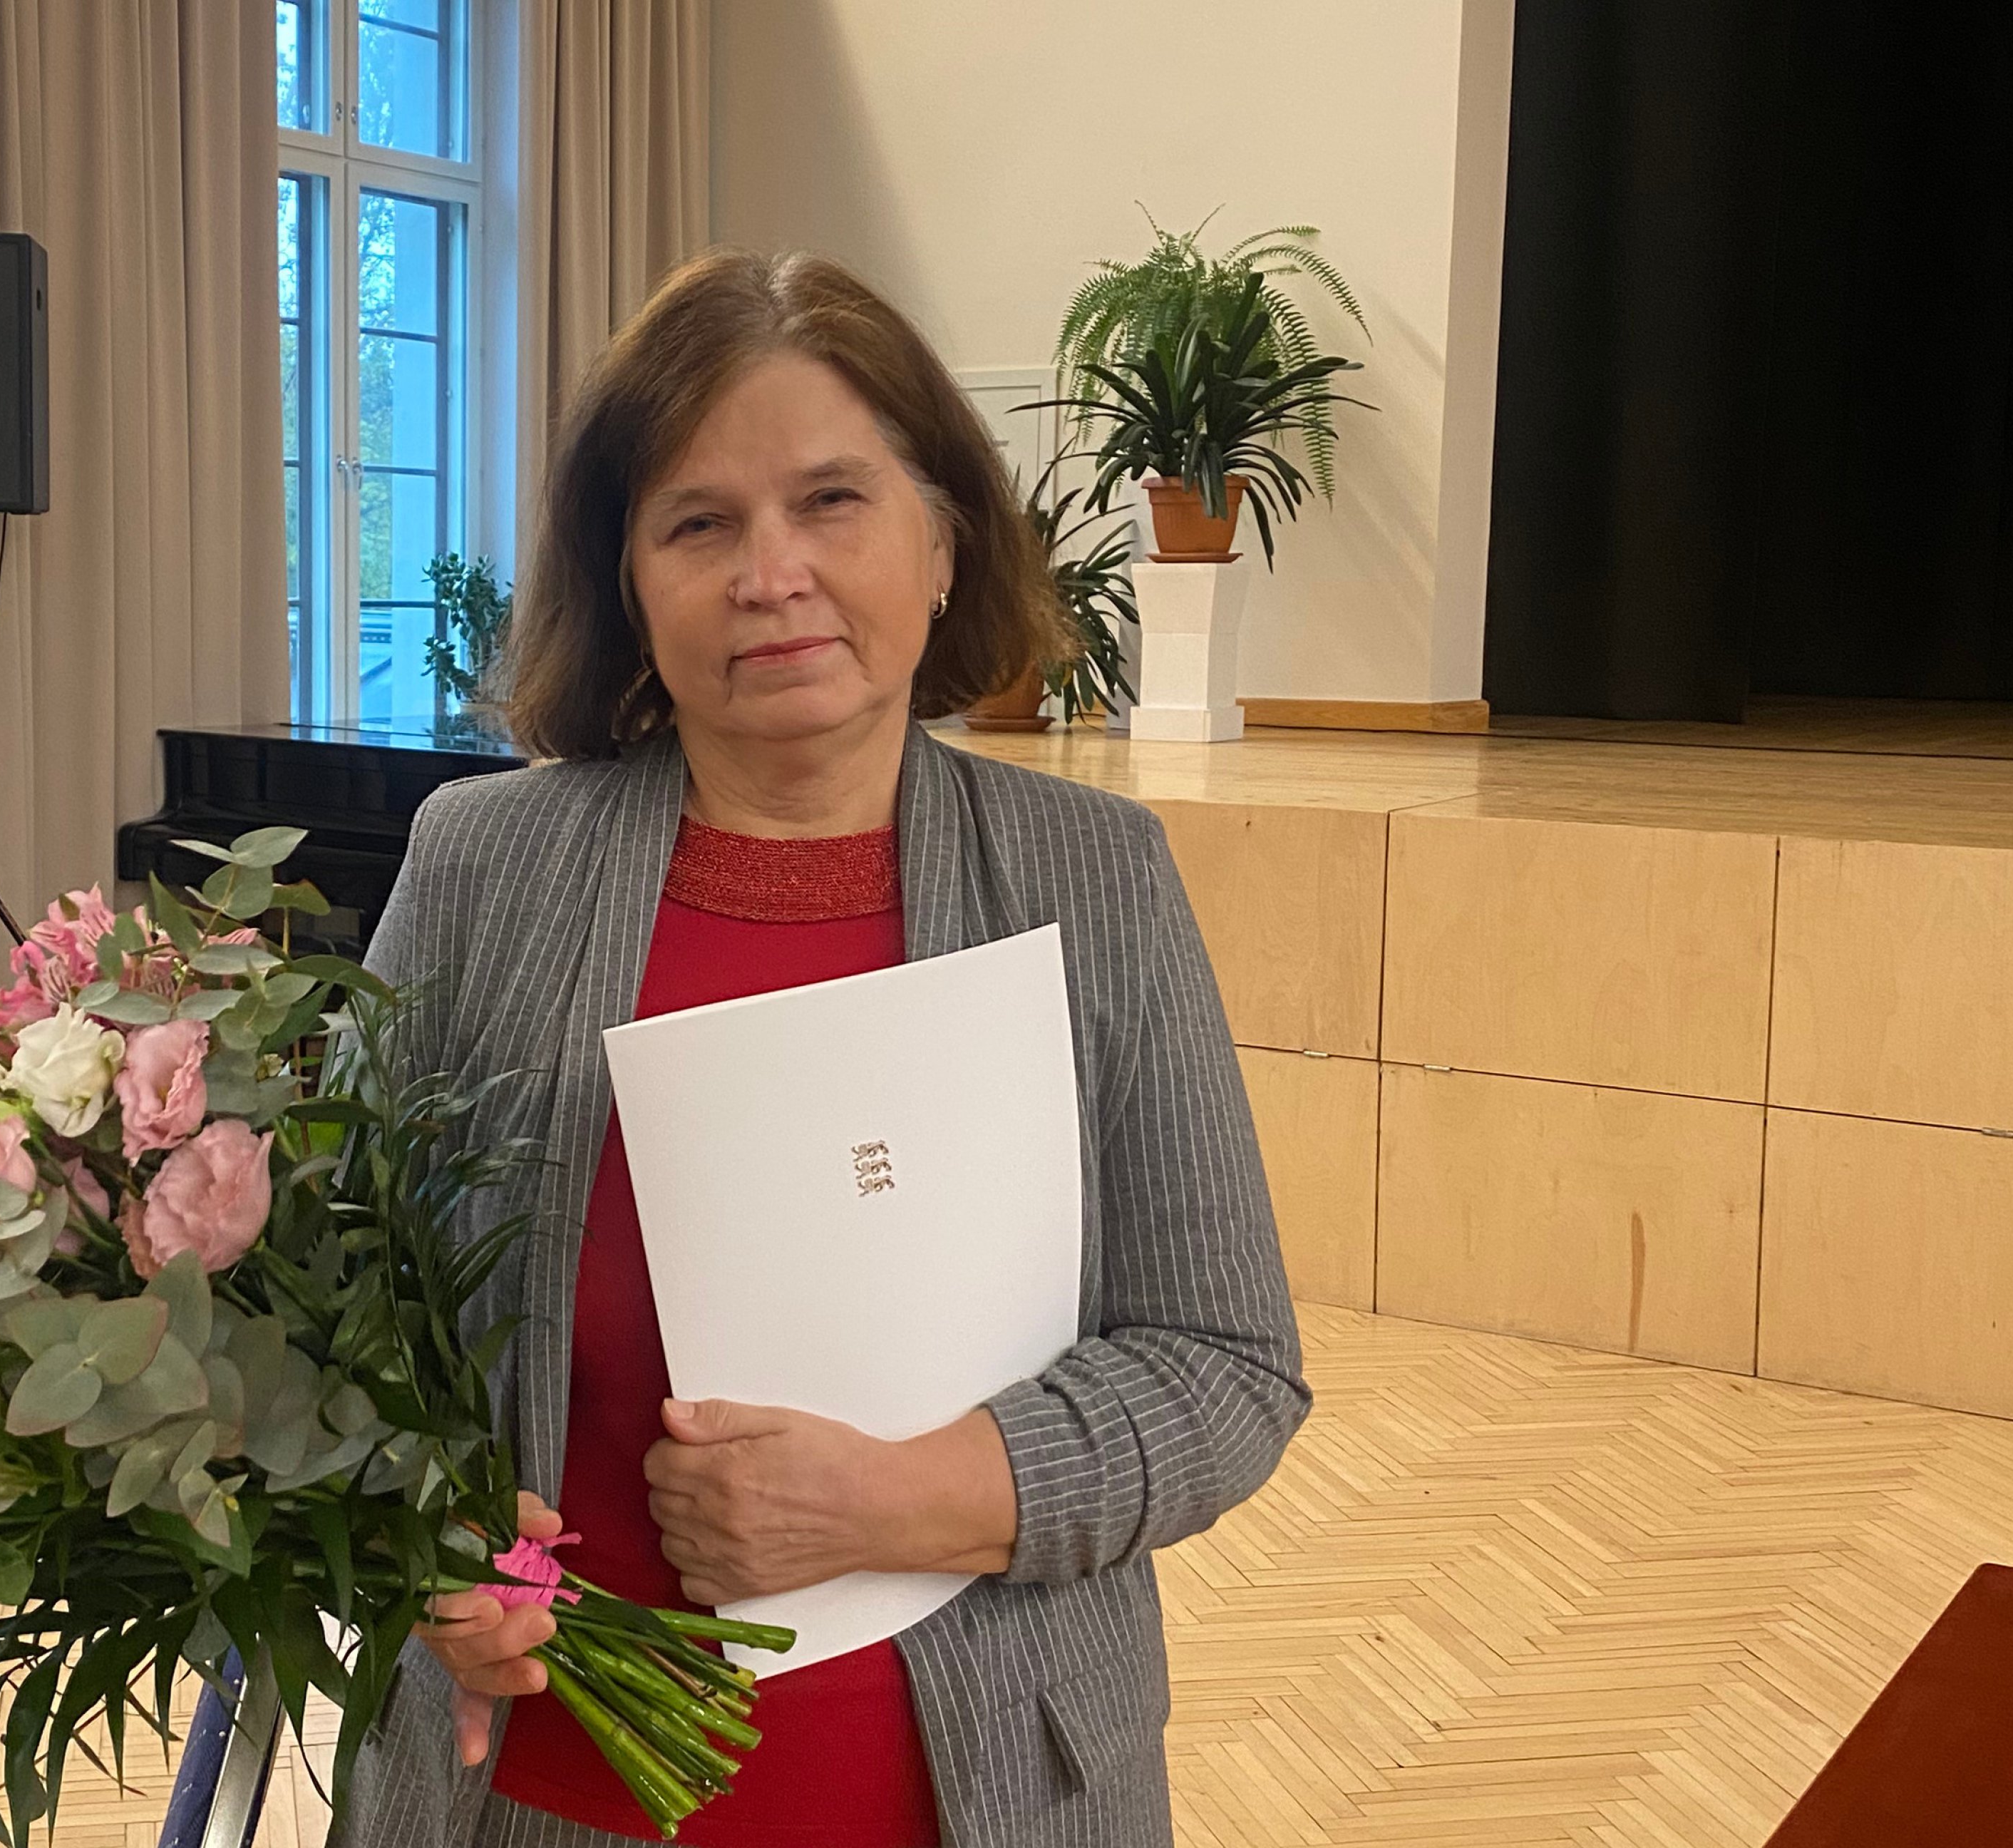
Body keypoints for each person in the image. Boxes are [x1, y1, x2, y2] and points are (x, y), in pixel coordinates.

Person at [344, 247, 1309, 1848]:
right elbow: (337, 1313)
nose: (770, 573)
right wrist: (413, 1537)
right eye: (698, 523)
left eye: (832, 501)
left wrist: (901, 1501)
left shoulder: (1095, 881)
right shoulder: (479, 866)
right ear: (627, 581)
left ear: (943, 541)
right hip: (532, 1791)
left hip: (985, 1798)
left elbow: (1227, 1365)